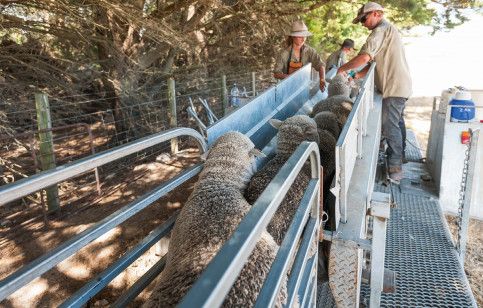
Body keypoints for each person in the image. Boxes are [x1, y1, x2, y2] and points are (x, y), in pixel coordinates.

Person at [337, 2, 412, 180]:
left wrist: (341, 70)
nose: (362, 24)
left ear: (377, 14)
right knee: (397, 122)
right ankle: (399, 155)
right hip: (399, 86)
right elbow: (371, 64)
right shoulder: (386, 31)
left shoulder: (381, 29)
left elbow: (364, 57)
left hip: (394, 87)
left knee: (389, 125)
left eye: (363, 19)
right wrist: (355, 76)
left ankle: (395, 166)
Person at [274, 20, 327, 92]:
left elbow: (320, 64)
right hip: (288, 89)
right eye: (300, 37)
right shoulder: (284, 53)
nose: (303, 39)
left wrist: (322, 80)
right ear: (293, 37)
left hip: (304, 88)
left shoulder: (309, 51)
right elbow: (276, 73)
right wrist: (288, 77)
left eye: (305, 36)